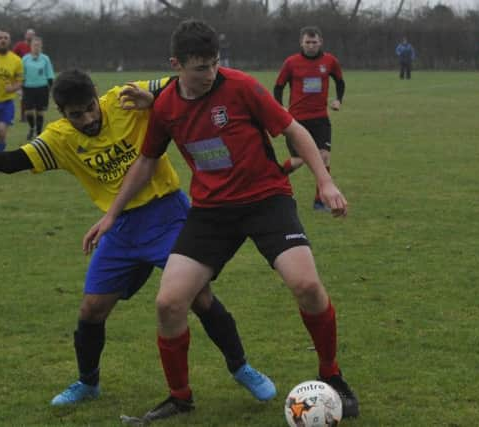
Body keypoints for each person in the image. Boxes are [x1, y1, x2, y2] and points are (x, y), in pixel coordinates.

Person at [0, 69, 275, 408]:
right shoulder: (60, 138)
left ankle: (241, 367)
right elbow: (14, 162)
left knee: (198, 297)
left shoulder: (124, 98)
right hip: (119, 230)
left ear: (97, 96)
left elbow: (181, 84)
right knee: (92, 309)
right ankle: (88, 382)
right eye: (75, 115)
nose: (86, 119)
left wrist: (154, 99)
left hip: (167, 215)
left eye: (89, 108)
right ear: (63, 114)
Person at [85, 19, 359, 425]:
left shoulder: (241, 86)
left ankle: (332, 375)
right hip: (211, 212)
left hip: (267, 201)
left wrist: (326, 181)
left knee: (306, 285)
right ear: (177, 64)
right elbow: (146, 161)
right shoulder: (165, 107)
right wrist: (110, 215)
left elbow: (294, 129)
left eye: (214, 63)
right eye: (200, 67)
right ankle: (180, 397)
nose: (210, 73)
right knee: (168, 302)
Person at [273, 25, 345, 212]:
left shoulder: (330, 61)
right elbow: (278, 86)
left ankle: (320, 201)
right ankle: (275, 177)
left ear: (320, 42)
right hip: (297, 122)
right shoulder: (291, 63)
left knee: (324, 158)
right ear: (301, 43)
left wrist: (338, 99)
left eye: (314, 42)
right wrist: (280, 107)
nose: (311, 45)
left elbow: (340, 81)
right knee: (299, 161)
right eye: (307, 42)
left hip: (321, 119)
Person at [21, 36, 55, 140]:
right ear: (30, 46)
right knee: (28, 112)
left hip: (42, 88)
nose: (36, 47)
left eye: (38, 45)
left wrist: (50, 90)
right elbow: (21, 74)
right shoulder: (25, 59)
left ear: (41, 47)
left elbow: (50, 75)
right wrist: (20, 87)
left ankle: (39, 133)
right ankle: (32, 128)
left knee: (40, 112)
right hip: (28, 88)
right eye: (34, 45)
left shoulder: (45, 58)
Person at [13, 29, 36, 122]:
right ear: (25, 35)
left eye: (32, 35)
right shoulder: (20, 45)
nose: (30, 36)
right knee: (23, 96)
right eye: (29, 34)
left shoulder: (35, 47)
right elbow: (12, 56)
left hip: (32, 75)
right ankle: (23, 116)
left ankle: (31, 115)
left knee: (32, 96)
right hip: (21, 74)